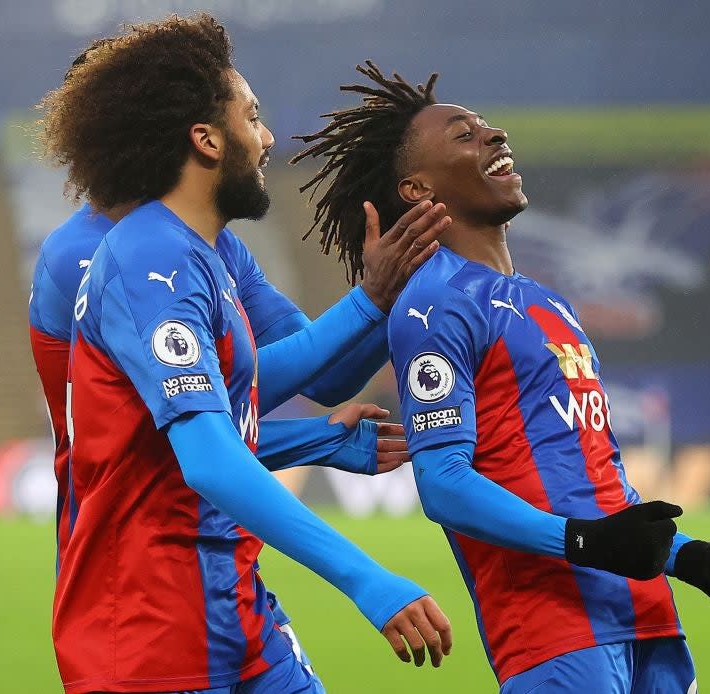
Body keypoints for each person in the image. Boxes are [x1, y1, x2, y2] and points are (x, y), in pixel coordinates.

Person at [292, 62, 710, 693]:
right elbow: (444, 485)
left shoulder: (545, 302)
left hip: (644, 617)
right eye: (464, 135)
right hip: (555, 635)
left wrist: (689, 559)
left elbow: (589, 483)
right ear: (417, 189)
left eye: (488, 126)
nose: (494, 135)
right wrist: (582, 544)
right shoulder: (436, 305)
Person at [36, 17, 452, 693]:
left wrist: (404, 274)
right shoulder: (125, 260)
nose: (266, 137)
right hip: (145, 610)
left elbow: (298, 374)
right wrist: (367, 577)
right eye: (252, 117)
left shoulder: (209, 248)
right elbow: (197, 452)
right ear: (198, 137)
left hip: (226, 579)